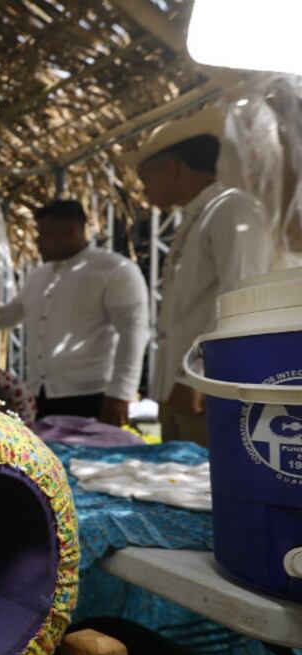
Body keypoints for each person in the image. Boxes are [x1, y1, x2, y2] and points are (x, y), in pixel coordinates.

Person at [127, 107, 272, 445]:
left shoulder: (232, 209)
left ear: (173, 168)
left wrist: (196, 376)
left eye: (146, 178)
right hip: (180, 389)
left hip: (206, 390)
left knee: (205, 490)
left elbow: (241, 297)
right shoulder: (200, 215)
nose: (144, 191)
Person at [0, 200, 150, 426]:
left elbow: (134, 331)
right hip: (39, 394)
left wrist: (121, 392)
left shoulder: (114, 270)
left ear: (69, 231)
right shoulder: (38, 276)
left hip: (92, 395)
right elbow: (6, 317)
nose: (37, 242)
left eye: (43, 234)